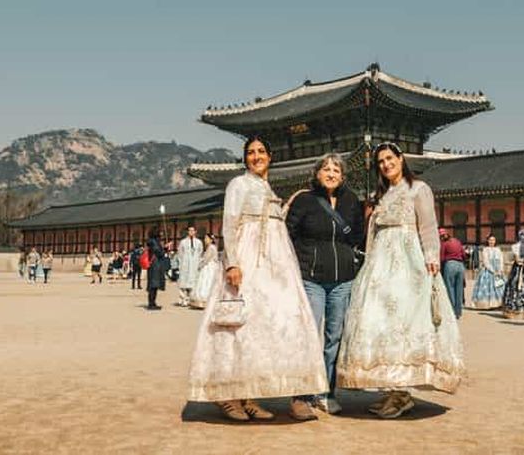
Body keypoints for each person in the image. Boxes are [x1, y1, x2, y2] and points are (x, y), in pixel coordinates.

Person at [188, 136, 327, 422]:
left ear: (270, 156)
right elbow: (230, 223)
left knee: (261, 328)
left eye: (261, 151)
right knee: (239, 326)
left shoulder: (266, 187)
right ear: (245, 159)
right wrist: (233, 263)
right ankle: (228, 396)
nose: (256, 156)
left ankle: (248, 395)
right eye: (250, 152)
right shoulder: (238, 184)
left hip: (275, 267)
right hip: (249, 261)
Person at [337, 143, 463, 419]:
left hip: (408, 261)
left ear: (401, 159)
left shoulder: (419, 189)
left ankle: (403, 393)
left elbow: (427, 226)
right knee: (380, 322)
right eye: (380, 161)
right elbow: (372, 233)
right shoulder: (381, 195)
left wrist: (431, 258)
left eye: (389, 158)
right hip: (380, 264)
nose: (385, 164)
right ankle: (392, 390)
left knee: (406, 320)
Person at [286, 153, 365, 417]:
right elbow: (288, 233)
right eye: (326, 169)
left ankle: (326, 391)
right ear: (316, 173)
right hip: (312, 278)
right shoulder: (305, 200)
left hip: (343, 279)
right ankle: (302, 394)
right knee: (309, 334)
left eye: (336, 170)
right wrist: (299, 263)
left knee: (335, 338)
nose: (331, 174)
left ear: (343, 176)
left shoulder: (352, 201)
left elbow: (357, 236)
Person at [470, 235, 505, 309]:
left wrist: (500, 269)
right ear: (488, 241)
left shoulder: (498, 249)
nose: (492, 242)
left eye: (493, 240)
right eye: (490, 240)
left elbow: (501, 260)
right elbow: (486, 261)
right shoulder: (485, 249)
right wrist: (492, 270)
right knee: (487, 287)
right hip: (488, 270)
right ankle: (487, 304)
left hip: (498, 269)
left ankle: (499, 304)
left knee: (500, 285)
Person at [439, 228, 466, 319]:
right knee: (459, 289)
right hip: (460, 265)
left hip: (450, 264)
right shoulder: (457, 241)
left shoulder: (444, 244)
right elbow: (464, 254)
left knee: (450, 288)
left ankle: (452, 311)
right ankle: (458, 312)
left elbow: (442, 258)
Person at [189, 233, 221, 309]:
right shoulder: (212, 247)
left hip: (209, 267)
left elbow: (207, 259)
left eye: (206, 238)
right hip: (211, 266)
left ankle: (205, 301)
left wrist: (200, 266)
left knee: (206, 282)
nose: (205, 240)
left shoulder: (211, 247)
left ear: (210, 239)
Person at [177, 226, 204, 307]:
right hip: (185, 264)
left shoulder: (199, 242)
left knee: (193, 283)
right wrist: (181, 263)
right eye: (190, 230)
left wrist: (198, 262)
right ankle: (183, 299)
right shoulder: (183, 242)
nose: (191, 232)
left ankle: (191, 299)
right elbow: (180, 253)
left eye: (193, 230)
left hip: (194, 265)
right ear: (187, 232)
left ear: (195, 231)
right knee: (183, 283)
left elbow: (200, 252)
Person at [145, 228, 167, 309]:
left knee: (154, 285)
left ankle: (153, 302)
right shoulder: (154, 242)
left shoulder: (153, 242)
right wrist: (165, 249)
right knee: (153, 285)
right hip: (155, 265)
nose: (161, 234)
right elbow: (158, 252)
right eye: (160, 233)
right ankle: (151, 304)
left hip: (154, 265)